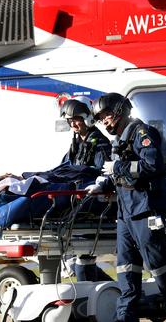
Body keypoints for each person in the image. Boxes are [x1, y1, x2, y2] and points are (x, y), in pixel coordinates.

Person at [87, 92, 166, 322]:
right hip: (126, 212)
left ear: (120, 110)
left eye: (106, 115)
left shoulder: (142, 133)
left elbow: (152, 165)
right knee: (126, 265)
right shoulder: (119, 141)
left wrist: (118, 168)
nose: (104, 121)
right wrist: (103, 182)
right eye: (100, 118)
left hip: (146, 208)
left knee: (158, 262)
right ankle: (126, 315)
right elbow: (118, 170)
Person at [59, 97, 113, 282]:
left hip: (94, 208)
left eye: (76, 119)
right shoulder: (76, 144)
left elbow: (105, 174)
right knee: (82, 263)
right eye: (70, 120)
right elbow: (63, 170)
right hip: (79, 208)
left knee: (82, 263)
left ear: (87, 118)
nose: (73, 124)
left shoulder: (100, 143)